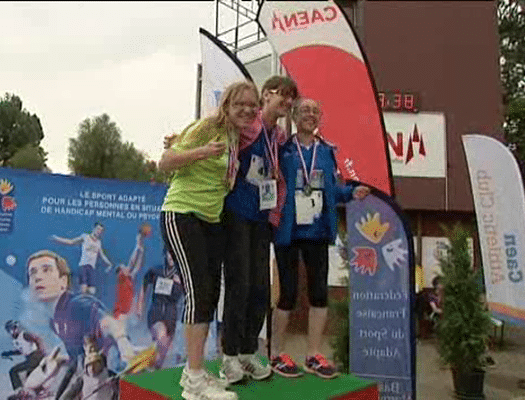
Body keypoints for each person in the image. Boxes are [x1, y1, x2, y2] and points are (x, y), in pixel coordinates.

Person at [158, 80, 260, 400]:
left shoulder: (234, 137)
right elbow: (165, 162)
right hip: (182, 214)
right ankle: (194, 379)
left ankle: (199, 372)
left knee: (211, 294)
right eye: (239, 103)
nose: (246, 109)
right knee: (199, 293)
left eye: (251, 105)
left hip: (210, 220)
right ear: (227, 105)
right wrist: (202, 151)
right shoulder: (208, 128)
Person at [269, 98, 370, 379]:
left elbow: (331, 189)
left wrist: (351, 193)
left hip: (317, 230)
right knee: (287, 292)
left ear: (320, 118)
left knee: (318, 292)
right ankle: (276, 352)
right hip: (288, 230)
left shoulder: (327, 152)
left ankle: (313, 354)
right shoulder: (282, 149)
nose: (309, 115)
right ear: (294, 115)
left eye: (315, 111)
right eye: (304, 111)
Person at [219, 76, 298, 385]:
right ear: (266, 94)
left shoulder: (278, 137)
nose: (287, 102)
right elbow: (216, 141)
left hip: (262, 218)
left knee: (260, 287)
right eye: (283, 95)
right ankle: (229, 356)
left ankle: (249, 351)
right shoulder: (246, 128)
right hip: (236, 213)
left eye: (292, 98)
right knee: (239, 284)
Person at [25, 249, 136, 398]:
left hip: (107, 374)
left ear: (63, 281)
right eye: (33, 273)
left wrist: (123, 344)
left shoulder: (78, 304)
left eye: (46, 270)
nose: (38, 277)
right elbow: (75, 355)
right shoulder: (54, 321)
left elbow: (108, 323)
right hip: (85, 372)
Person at [135, 248, 184, 369]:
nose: (171, 257)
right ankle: (144, 359)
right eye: (169, 253)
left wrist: (181, 285)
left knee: (162, 355)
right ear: (165, 254)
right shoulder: (156, 270)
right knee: (161, 337)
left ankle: (152, 371)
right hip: (156, 312)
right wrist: (139, 306)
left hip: (172, 315)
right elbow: (144, 284)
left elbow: (189, 294)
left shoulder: (182, 275)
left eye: (175, 254)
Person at [51, 222, 113, 295]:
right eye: (98, 229)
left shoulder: (98, 243)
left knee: (92, 291)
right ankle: (78, 300)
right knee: (83, 290)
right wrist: (57, 239)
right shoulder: (85, 237)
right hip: (83, 266)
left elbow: (102, 255)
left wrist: (109, 264)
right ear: (94, 229)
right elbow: (71, 242)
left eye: (101, 230)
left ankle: (82, 298)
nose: (99, 231)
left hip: (91, 268)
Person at [113, 223, 152, 323]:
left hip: (127, 313)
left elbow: (136, 268)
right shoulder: (121, 277)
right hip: (119, 313)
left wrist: (141, 251)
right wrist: (136, 247)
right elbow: (131, 264)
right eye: (123, 267)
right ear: (120, 272)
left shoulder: (129, 278)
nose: (126, 267)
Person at [1, 320, 45, 390]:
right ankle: (39, 392)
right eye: (10, 330)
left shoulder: (24, 335)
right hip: (29, 359)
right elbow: (21, 351)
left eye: (13, 328)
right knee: (28, 380)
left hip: (35, 357)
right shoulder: (15, 341)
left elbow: (37, 339)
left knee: (13, 371)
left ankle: (19, 390)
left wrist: (41, 352)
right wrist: (9, 353)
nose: (12, 331)